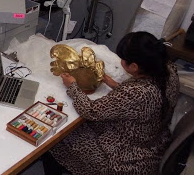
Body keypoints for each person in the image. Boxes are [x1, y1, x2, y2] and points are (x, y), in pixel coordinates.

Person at [45, 31, 180, 175]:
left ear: (134, 67)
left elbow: (90, 111)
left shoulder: (136, 92)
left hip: (126, 158)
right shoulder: (168, 69)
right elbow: (145, 103)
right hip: (153, 139)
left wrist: (72, 86)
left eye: (123, 59)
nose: (120, 61)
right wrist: (114, 84)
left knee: (57, 137)